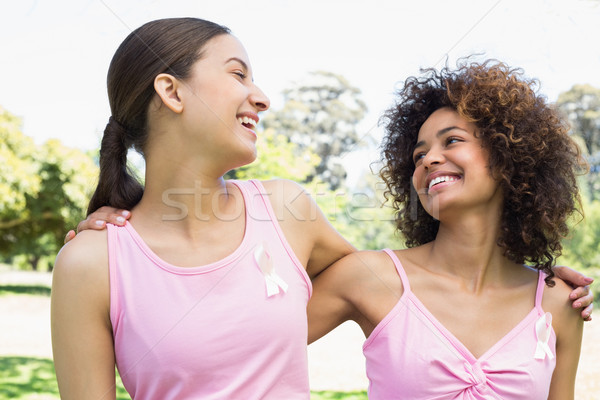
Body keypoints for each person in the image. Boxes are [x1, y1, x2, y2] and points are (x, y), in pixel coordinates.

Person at [51, 17, 355, 400]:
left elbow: (376, 285)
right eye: (238, 75)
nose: (261, 98)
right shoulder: (89, 263)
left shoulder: (286, 209)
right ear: (171, 92)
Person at [306, 59, 587, 399]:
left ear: (507, 155)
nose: (428, 159)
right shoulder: (368, 276)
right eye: (418, 155)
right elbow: (245, 345)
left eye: (451, 141)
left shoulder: (559, 302)